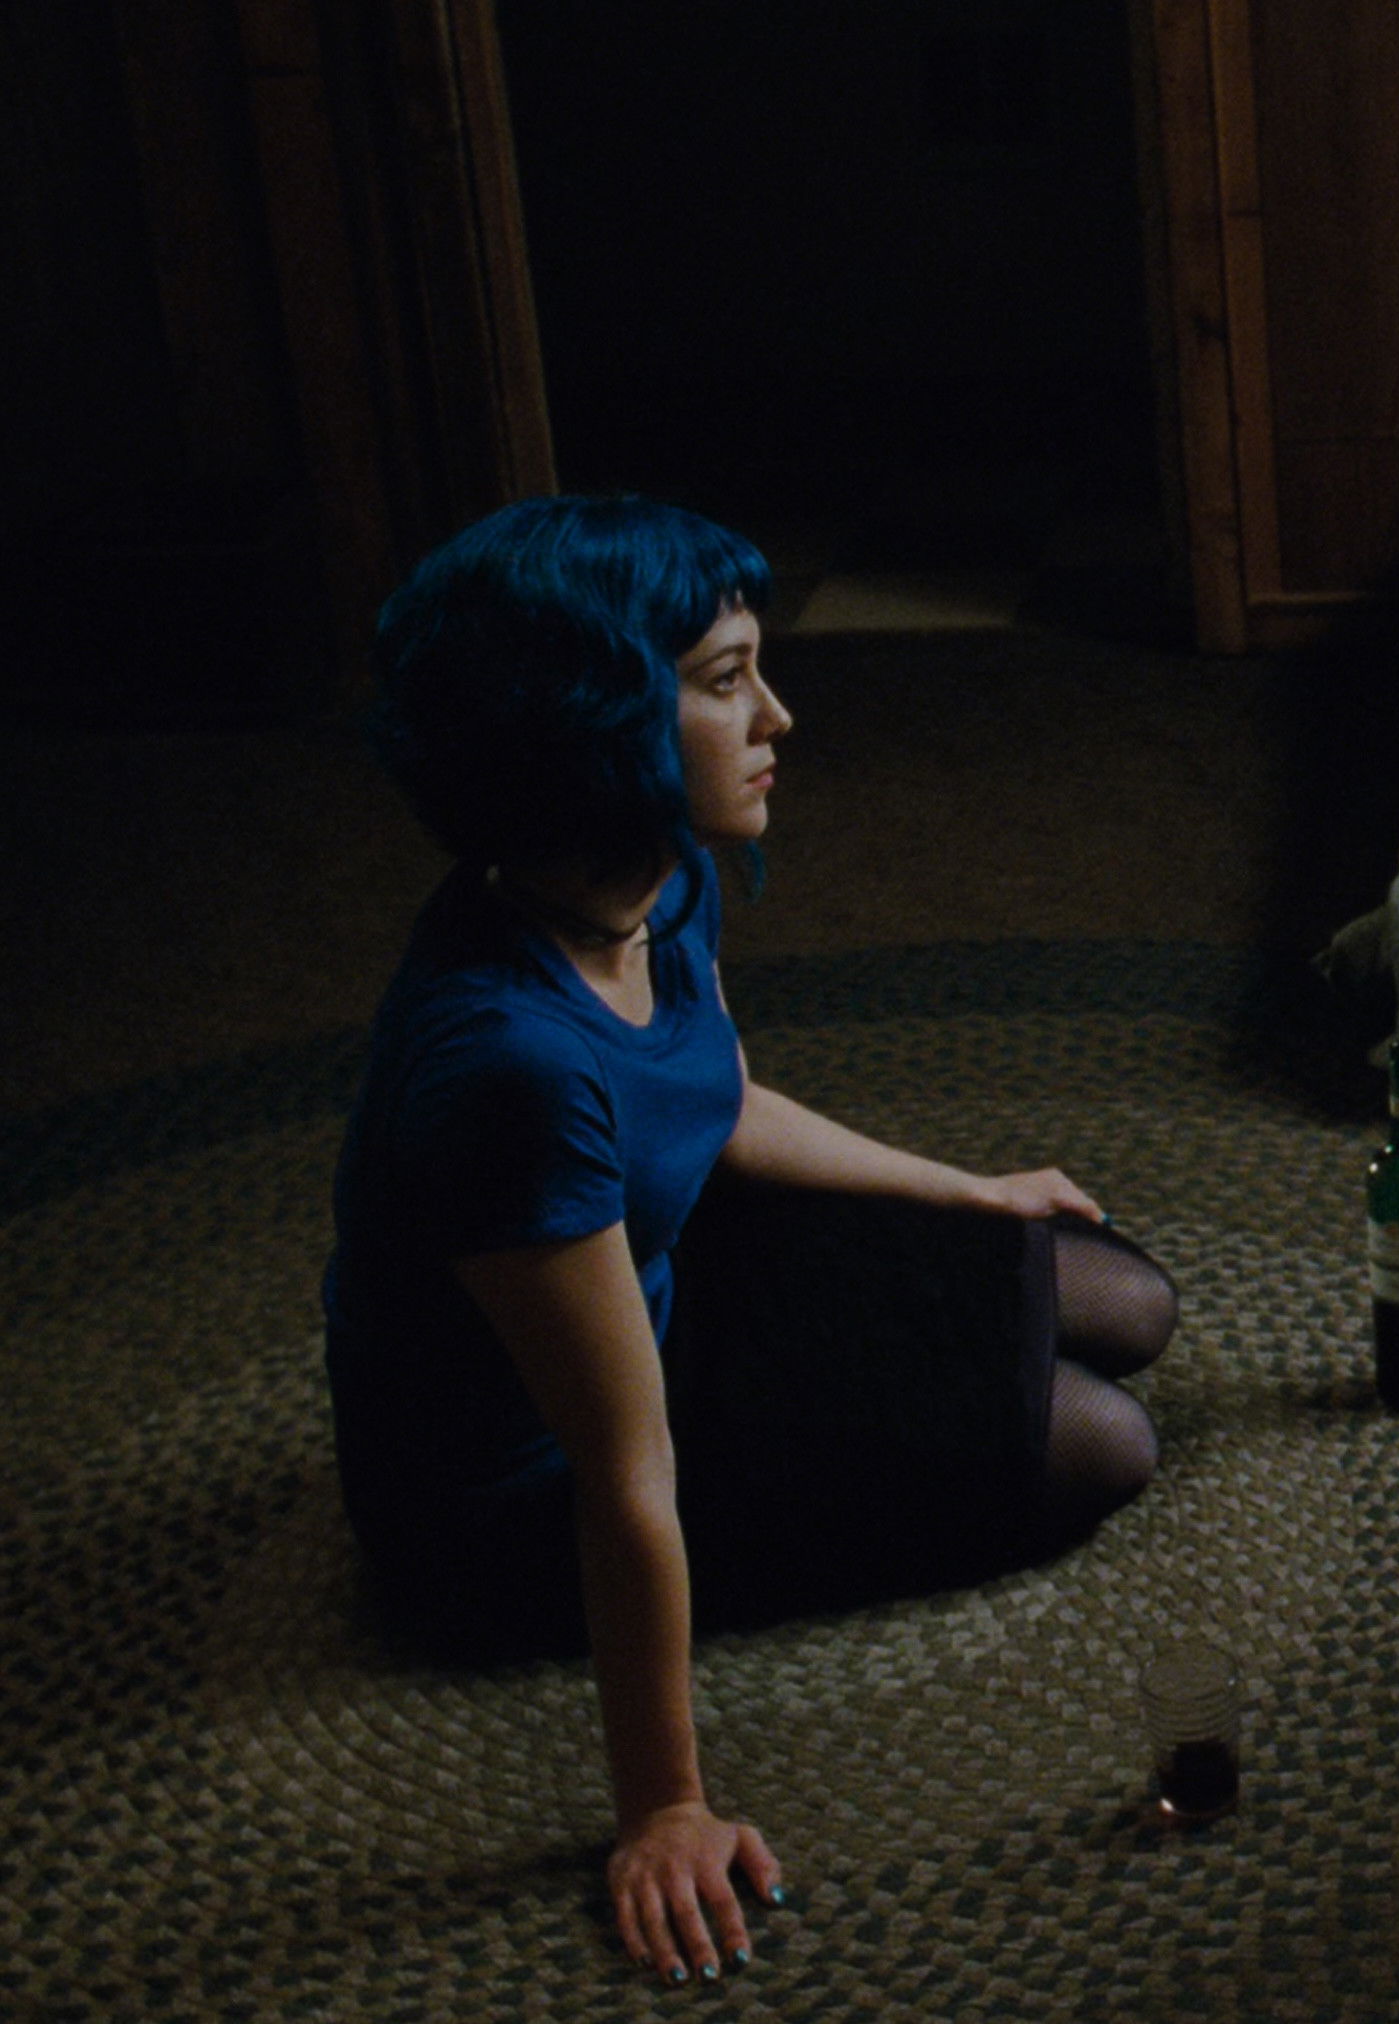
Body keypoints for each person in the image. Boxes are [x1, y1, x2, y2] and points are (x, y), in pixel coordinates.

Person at [323, 496, 1179, 1986]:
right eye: (726, 682)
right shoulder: (504, 1067)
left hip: (660, 1280)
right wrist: (664, 1804)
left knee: (1123, 1296)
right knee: (1095, 1442)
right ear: (589, 725)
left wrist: (958, 1189)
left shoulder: (655, 880)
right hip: (509, 1508)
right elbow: (622, 1466)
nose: (778, 716)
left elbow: (706, 1101)